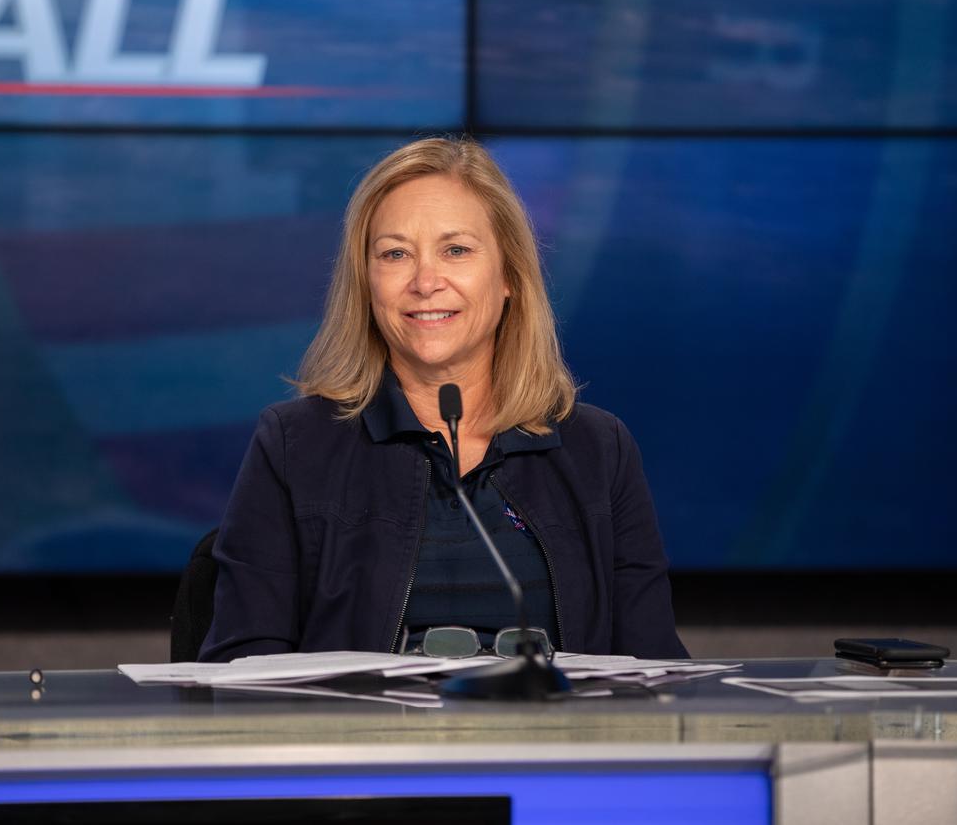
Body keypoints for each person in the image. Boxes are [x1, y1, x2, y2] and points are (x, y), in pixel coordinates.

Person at [199, 137, 687, 661]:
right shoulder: (294, 445)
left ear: (509, 276)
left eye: (456, 250)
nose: (426, 282)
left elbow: (652, 667)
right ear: (366, 283)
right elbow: (243, 665)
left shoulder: (599, 449)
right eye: (395, 254)